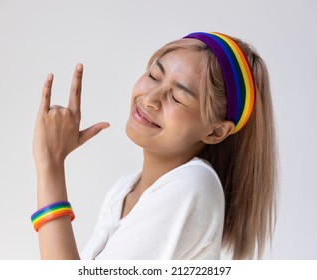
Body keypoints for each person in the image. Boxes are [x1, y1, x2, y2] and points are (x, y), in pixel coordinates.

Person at [32, 32, 277, 260]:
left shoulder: (193, 185)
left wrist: (50, 165)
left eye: (177, 97)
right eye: (153, 76)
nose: (149, 99)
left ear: (215, 131)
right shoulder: (122, 192)